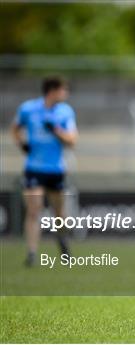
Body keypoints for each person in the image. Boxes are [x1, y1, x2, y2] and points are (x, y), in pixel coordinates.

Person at [11, 76, 78, 267]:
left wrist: (56, 130)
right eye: (63, 90)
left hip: (56, 169)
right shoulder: (28, 109)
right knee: (34, 210)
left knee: (59, 212)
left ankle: (63, 243)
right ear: (52, 91)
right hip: (33, 168)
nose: (66, 94)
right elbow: (15, 128)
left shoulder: (65, 112)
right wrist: (22, 144)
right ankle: (32, 253)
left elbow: (72, 140)